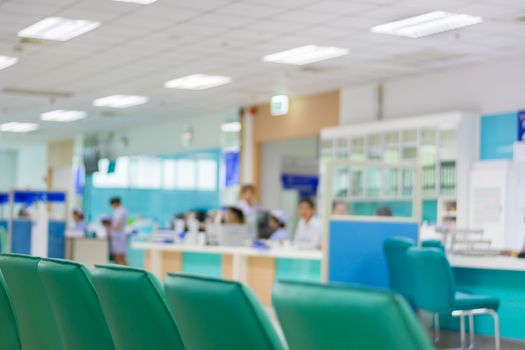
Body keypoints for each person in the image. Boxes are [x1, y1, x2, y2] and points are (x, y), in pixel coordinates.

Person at [109, 197, 128, 265]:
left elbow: (117, 224)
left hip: (119, 236)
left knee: (121, 256)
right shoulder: (118, 211)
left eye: (112, 204)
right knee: (116, 256)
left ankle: (128, 272)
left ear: (116, 203)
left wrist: (110, 230)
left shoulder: (121, 211)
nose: (111, 206)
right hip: (116, 236)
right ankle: (120, 271)